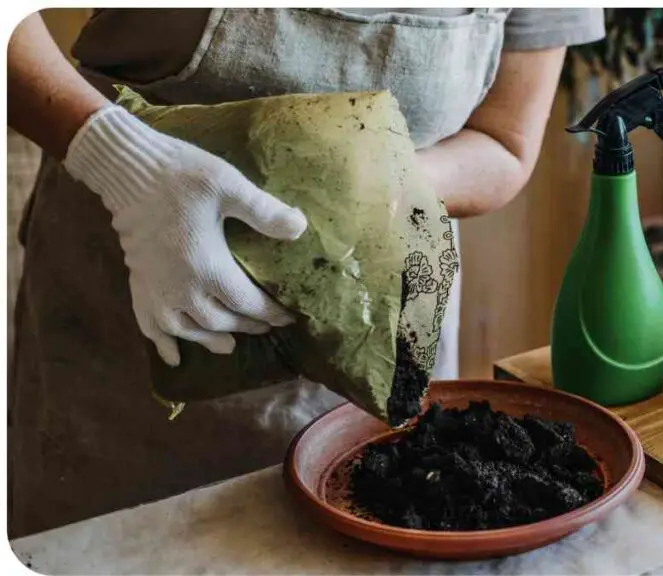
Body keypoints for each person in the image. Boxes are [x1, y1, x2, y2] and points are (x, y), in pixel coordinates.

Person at [7, 7, 605, 537]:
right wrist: (112, 153)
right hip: (126, 330)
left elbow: (504, 145)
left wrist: (359, 182)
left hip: (380, 327)